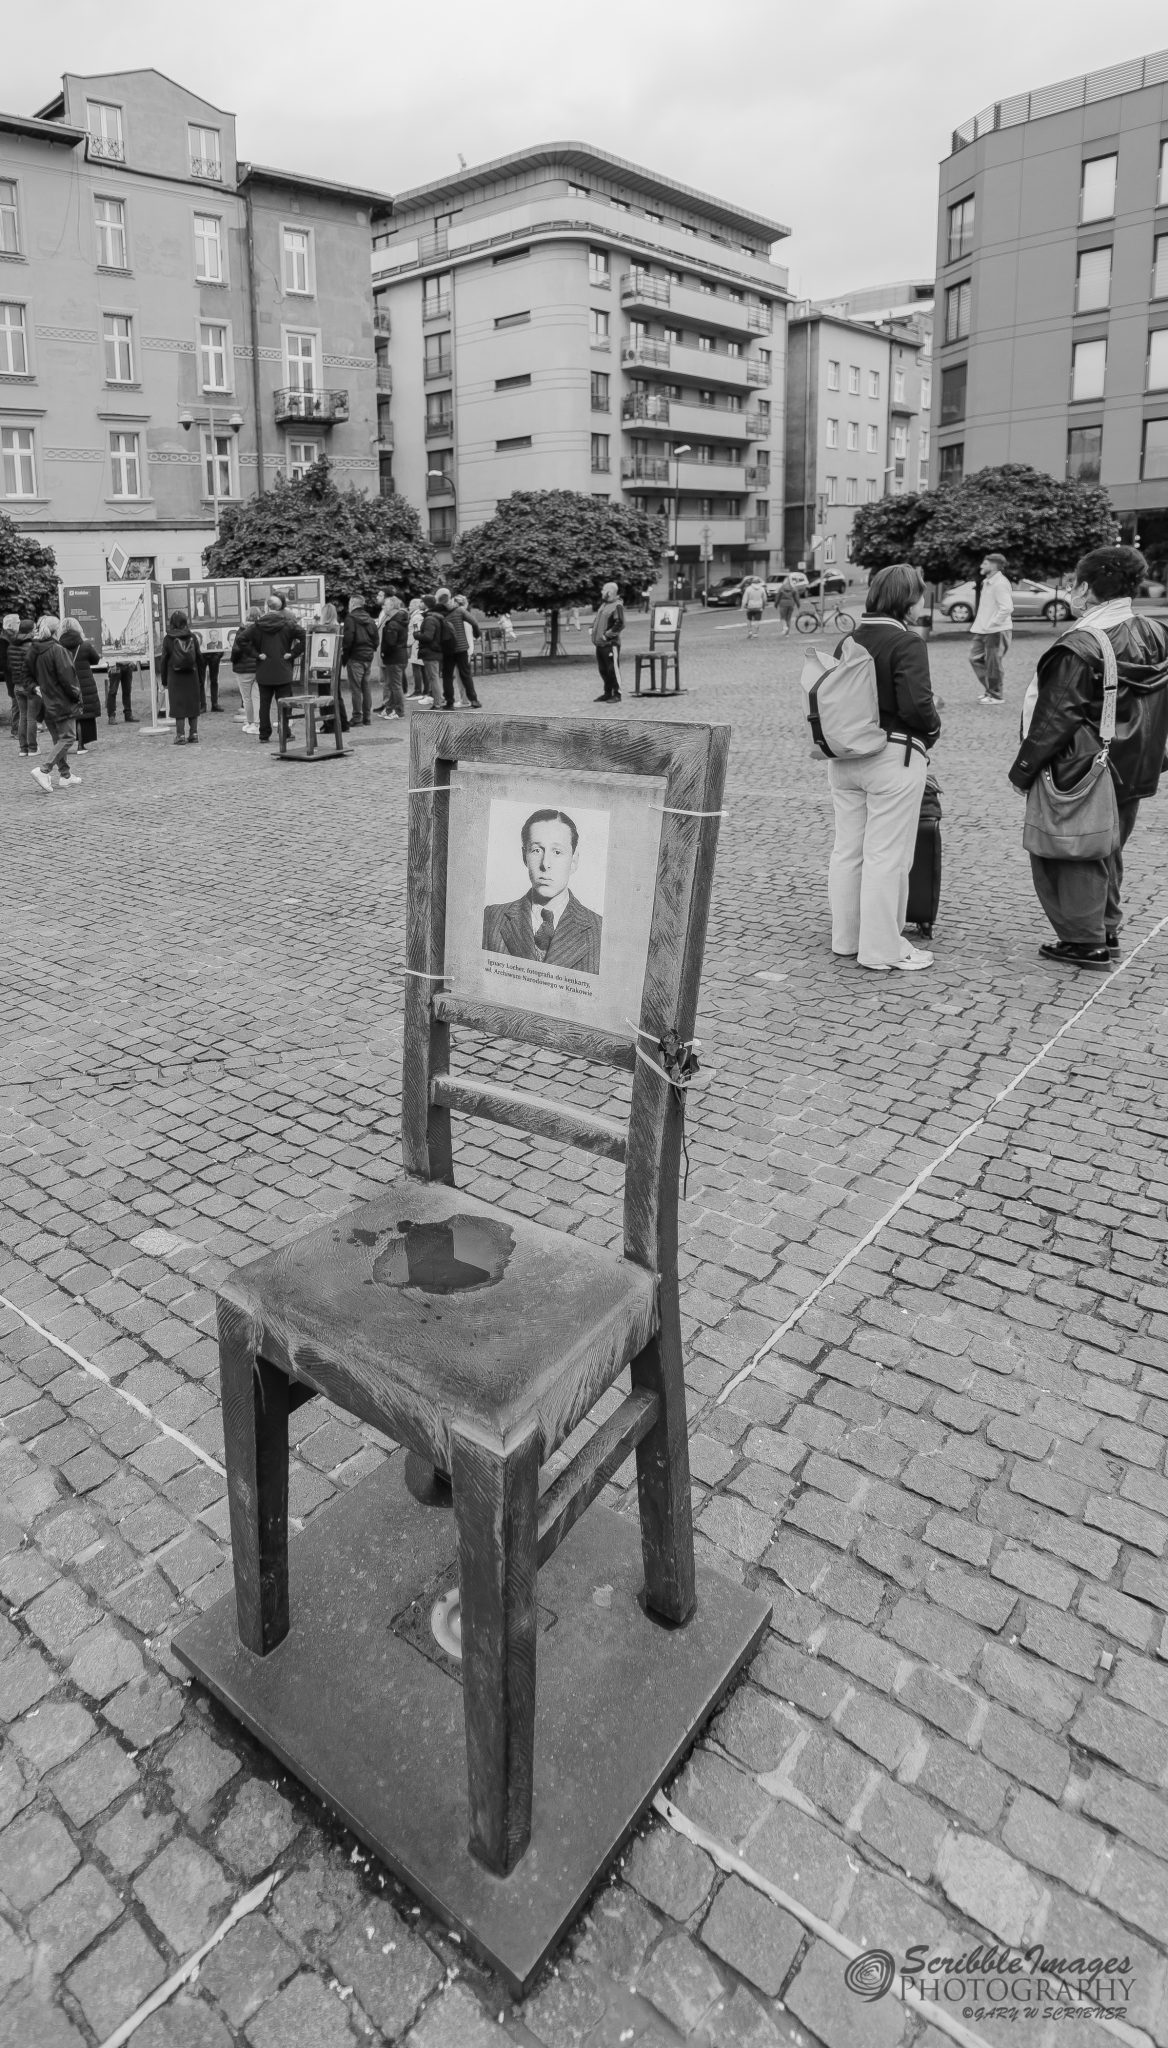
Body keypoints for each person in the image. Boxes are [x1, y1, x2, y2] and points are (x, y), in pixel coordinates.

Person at [1008, 544, 1168, 969]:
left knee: (1069, 852)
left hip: (1085, 768)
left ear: (1085, 587)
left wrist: (1023, 770)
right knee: (1107, 847)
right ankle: (1107, 929)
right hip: (1136, 764)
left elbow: (1053, 718)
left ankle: (1085, 942)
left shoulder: (1080, 644)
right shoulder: (1156, 632)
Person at [827, 563, 941, 973]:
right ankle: (880, 949)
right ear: (907, 599)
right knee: (886, 856)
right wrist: (934, 728)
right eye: (920, 594)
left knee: (848, 851)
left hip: (845, 757)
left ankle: (847, 938)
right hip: (893, 755)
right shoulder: (905, 642)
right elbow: (916, 704)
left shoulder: (848, 641)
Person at [482, 808, 603, 973]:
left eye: (557, 852)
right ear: (525, 856)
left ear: (574, 861)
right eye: (536, 850)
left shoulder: (600, 930)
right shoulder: (490, 919)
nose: (545, 864)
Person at [29, 615, 82, 792]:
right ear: (56, 631)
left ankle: (65, 775)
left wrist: (35, 688)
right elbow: (67, 678)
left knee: (58, 739)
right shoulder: (57, 650)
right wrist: (76, 695)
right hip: (60, 700)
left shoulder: (35, 650)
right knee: (68, 737)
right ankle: (44, 769)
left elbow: (24, 673)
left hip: (46, 700)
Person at [246, 592, 307, 743]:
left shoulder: (258, 625)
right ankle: (285, 731)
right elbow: (305, 636)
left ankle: (264, 734)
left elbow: (242, 640)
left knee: (264, 705)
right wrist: (292, 653)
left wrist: (256, 654)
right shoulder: (287, 623)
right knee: (285, 703)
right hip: (282, 669)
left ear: (267, 606)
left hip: (264, 670)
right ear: (280, 607)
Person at [969, 551, 1013, 703]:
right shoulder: (988, 582)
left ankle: (996, 695)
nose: (981, 566)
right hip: (983, 630)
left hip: (996, 631)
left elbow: (1007, 608)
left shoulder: (1000, 583)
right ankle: (990, 691)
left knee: (994, 663)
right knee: (974, 658)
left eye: (985, 563)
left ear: (994, 566)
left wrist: (993, 623)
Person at [59, 618, 102, 751]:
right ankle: (81, 744)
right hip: (84, 683)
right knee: (84, 714)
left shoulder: (58, 646)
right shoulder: (85, 645)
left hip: (66, 683)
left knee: (72, 714)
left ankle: (68, 742)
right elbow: (95, 660)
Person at [160, 610, 202, 745]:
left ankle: (180, 735)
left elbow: (164, 660)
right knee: (192, 705)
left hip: (175, 677)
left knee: (178, 706)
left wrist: (164, 680)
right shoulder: (192, 637)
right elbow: (199, 658)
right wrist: (201, 677)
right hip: (192, 675)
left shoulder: (168, 639)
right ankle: (194, 734)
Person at [440, 593, 482, 708]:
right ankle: (474, 700)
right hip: (462, 648)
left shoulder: (440, 614)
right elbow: (474, 622)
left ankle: (449, 702)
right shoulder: (460, 611)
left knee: (447, 676)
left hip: (447, 649)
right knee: (466, 675)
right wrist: (477, 634)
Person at [342, 593, 379, 726]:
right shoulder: (369, 619)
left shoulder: (350, 618)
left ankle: (357, 717)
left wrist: (344, 658)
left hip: (355, 657)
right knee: (366, 687)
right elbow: (376, 639)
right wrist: (371, 650)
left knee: (356, 688)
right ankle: (367, 717)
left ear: (353, 604)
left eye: (349, 603)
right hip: (367, 657)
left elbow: (348, 640)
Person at [7, 616, 38, 757]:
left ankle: (23, 748)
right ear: (31, 630)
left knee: (22, 717)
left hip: (17, 685)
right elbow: (34, 668)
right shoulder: (31, 646)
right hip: (29, 685)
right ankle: (32, 748)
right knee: (31, 718)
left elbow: (9, 666)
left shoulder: (12, 644)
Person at [231, 605, 263, 733]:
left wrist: (233, 661)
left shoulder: (242, 630)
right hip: (258, 667)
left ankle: (250, 723)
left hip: (243, 669)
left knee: (247, 699)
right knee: (257, 697)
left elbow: (236, 650)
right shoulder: (262, 630)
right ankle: (257, 722)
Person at [591, 581, 624, 701]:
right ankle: (607, 692)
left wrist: (607, 636)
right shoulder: (604, 605)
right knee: (603, 670)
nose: (601, 592)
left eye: (603, 589)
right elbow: (598, 619)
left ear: (610, 592)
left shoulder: (617, 605)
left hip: (610, 644)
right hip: (600, 644)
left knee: (612, 669)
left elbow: (620, 623)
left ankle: (617, 694)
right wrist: (592, 628)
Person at [377, 596, 408, 719]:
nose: (384, 607)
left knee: (395, 685)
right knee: (391, 684)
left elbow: (390, 643)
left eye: (386, 604)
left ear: (392, 606)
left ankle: (399, 711)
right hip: (399, 656)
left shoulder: (393, 623)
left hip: (394, 658)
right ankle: (389, 709)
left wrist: (384, 652)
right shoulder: (398, 620)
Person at [418, 594, 445, 704]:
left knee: (433, 677)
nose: (419, 603)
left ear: (426, 604)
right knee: (434, 677)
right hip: (434, 651)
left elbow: (428, 636)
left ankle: (437, 702)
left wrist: (417, 635)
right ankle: (438, 699)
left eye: (421, 601)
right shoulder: (435, 616)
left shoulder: (430, 618)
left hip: (431, 651)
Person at [196, 632, 224, 714]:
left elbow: (222, 647)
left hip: (214, 655)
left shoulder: (218, 643)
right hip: (201, 654)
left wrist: (218, 654)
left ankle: (214, 704)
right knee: (201, 681)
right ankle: (202, 705)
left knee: (214, 680)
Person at [106, 660, 136, 725]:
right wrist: (111, 664)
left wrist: (133, 661)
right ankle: (111, 716)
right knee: (113, 692)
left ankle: (128, 714)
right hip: (115, 665)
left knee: (127, 691)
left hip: (128, 665)